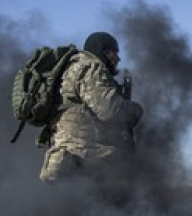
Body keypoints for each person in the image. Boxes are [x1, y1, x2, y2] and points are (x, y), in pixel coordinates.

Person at [39, 32, 144, 197]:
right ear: (103, 51)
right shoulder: (91, 66)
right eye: (114, 52)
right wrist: (134, 110)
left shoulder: (71, 69)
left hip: (65, 161)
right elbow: (108, 110)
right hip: (83, 160)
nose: (118, 58)